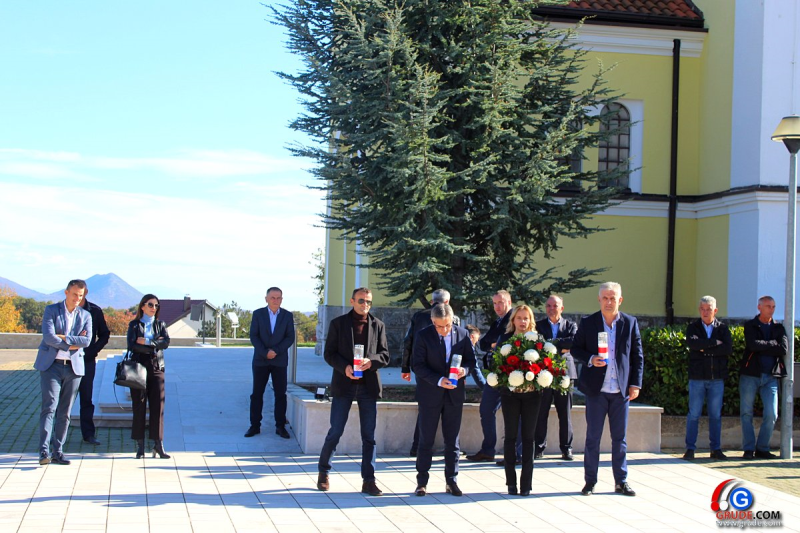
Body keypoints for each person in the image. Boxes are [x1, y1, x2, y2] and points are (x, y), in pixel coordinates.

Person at [571, 282, 643, 497]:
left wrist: (635, 384)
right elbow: (575, 348)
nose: (609, 302)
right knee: (593, 438)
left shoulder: (629, 323)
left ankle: (621, 481)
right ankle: (590, 482)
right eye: (605, 298)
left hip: (620, 391)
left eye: (613, 298)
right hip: (597, 390)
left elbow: (637, 356)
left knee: (619, 439)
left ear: (620, 300)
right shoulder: (589, 322)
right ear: (599, 299)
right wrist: (591, 358)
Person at [317, 288, 390, 496]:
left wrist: (371, 362)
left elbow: (385, 355)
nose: (365, 305)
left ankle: (369, 480)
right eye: (361, 301)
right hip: (344, 385)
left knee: (369, 436)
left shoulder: (378, 325)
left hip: (368, 386)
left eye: (368, 302)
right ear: (352, 301)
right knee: (336, 431)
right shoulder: (338, 324)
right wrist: (345, 368)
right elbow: (329, 353)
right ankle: (324, 472)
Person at [412, 304, 475, 497]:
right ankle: (422, 482)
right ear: (432, 322)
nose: (444, 330)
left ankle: (451, 481)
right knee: (426, 440)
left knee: (452, 441)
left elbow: (471, 361)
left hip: (454, 395)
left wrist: (465, 370)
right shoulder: (423, 335)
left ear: (452, 320)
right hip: (430, 394)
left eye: (447, 325)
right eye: (439, 326)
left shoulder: (462, 334)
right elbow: (417, 365)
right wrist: (439, 380)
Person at [34, 279, 92, 466]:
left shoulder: (86, 315)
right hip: (51, 366)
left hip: (73, 369)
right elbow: (49, 338)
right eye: (75, 294)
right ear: (66, 292)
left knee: (65, 412)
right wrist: (72, 343)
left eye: (80, 296)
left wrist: (64, 338)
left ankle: (57, 452)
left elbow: (87, 341)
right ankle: (44, 452)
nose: (77, 298)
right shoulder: (51, 310)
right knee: (49, 407)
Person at [401, 289, 458, 456]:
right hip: (445, 371)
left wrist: (405, 367)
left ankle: (418, 446)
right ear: (447, 302)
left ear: (432, 302)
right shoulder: (453, 319)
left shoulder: (419, 316)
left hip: (422, 369)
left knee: (425, 407)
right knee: (447, 408)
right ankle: (451, 447)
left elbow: (408, 342)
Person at [495, 304, 543, 496]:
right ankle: (511, 483)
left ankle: (526, 485)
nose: (523, 322)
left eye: (526, 318)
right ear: (513, 320)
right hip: (510, 396)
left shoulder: (538, 340)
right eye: (519, 318)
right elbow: (496, 365)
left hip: (532, 396)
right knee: (511, 437)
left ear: (531, 320)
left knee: (529, 438)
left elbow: (545, 365)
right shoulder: (505, 339)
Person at [683, 295, 733, 461]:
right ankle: (690, 449)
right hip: (697, 377)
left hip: (716, 378)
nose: (705, 312)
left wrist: (705, 348)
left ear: (715, 310)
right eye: (702, 309)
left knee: (715, 415)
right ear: (699, 310)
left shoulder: (723, 328)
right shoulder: (693, 328)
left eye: (708, 309)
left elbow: (727, 349)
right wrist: (714, 343)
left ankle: (715, 449)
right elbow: (693, 345)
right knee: (694, 414)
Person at [466, 290, 513, 463]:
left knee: (512, 414)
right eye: (494, 303)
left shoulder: (513, 320)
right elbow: (484, 344)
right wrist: (494, 344)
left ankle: (514, 453)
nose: (497, 307)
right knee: (486, 410)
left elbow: (505, 343)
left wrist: (495, 344)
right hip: (495, 374)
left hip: (511, 374)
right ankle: (488, 450)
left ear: (509, 302)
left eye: (500, 303)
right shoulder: (497, 322)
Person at [740, 295, 787, 460]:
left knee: (772, 413)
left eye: (773, 307)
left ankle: (762, 448)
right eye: (768, 306)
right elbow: (753, 345)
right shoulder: (750, 325)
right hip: (750, 375)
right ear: (759, 307)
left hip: (770, 376)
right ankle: (748, 449)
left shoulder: (778, 328)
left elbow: (783, 349)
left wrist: (764, 345)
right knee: (746, 413)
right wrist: (772, 344)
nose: (771, 310)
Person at [245, 287, 296, 439]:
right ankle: (255, 426)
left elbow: (290, 337)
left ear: (282, 299)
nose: (275, 300)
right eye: (272, 297)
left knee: (280, 394)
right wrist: (265, 352)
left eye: (278, 298)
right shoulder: (258, 314)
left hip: (279, 361)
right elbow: (254, 336)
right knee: (257, 394)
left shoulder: (287, 315)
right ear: (266, 299)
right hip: (261, 360)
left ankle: (280, 426)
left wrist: (276, 351)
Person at [534, 295, 578, 461]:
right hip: (544, 374)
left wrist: (552, 343)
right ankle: (539, 448)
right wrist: (561, 346)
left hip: (565, 374)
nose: (551, 309)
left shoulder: (571, 325)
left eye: (555, 306)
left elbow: (573, 342)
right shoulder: (538, 326)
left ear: (562, 308)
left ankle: (566, 449)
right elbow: (538, 345)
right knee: (541, 413)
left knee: (565, 414)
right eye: (548, 306)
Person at [127, 294, 171, 459]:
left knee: (158, 407)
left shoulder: (160, 324)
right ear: (143, 306)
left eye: (156, 305)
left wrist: (146, 342)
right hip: (138, 367)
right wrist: (155, 345)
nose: (154, 308)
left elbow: (166, 343)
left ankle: (158, 444)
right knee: (139, 405)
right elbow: (132, 346)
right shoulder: (134, 325)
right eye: (151, 305)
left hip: (156, 366)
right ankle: (140, 445)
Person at [78, 287, 110, 446]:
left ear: (85, 293)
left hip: (87, 361)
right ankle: (56, 435)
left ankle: (88, 434)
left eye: (80, 293)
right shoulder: (63, 310)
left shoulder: (95, 311)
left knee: (86, 398)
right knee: (63, 400)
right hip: (67, 361)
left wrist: (93, 351)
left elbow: (105, 334)